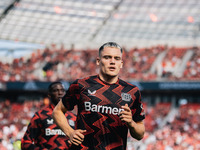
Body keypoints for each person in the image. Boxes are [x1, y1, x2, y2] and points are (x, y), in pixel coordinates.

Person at [52, 42, 145, 150]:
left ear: (121, 63)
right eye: (107, 57)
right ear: (98, 61)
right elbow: (57, 111)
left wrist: (131, 123)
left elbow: (140, 134)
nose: (112, 62)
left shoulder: (132, 91)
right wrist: (70, 132)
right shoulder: (81, 85)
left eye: (117, 58)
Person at [21, 81, 76, 150]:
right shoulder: (40, 116)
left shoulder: (73, 118)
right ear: (49, 94)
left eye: (62, 90)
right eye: (56, 90)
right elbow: (25, 143)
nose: (60, 93)